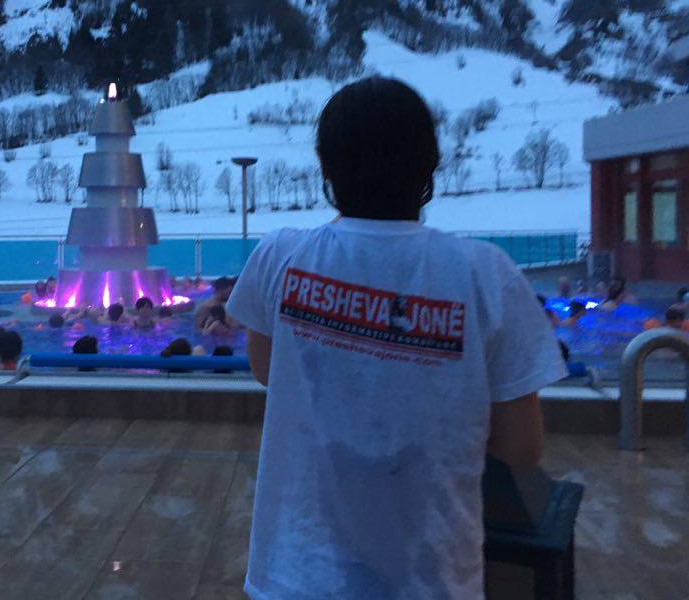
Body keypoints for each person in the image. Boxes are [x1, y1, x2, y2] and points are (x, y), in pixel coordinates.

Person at [225, 77, 565, 600]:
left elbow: (269, 370)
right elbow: (520, 448)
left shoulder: (281, 257)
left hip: (297, 572)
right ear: (430, 166)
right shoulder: (486, 275)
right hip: (429, 575)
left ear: (326, 166)